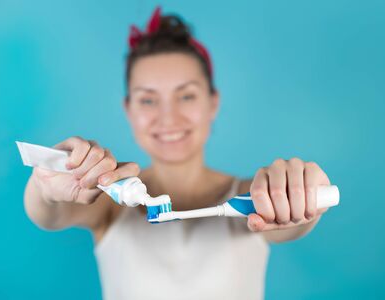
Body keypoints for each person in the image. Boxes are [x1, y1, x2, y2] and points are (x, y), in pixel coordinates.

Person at [23, 7, 331, 300]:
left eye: (186, 96)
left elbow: (288, 223)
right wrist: (47, 182)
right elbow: (49, 214)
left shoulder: (249, 196)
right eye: (147, 100)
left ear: (213, 103)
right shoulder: (108, 205)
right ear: (128, 110)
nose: (168, 118)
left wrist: (299, 193)